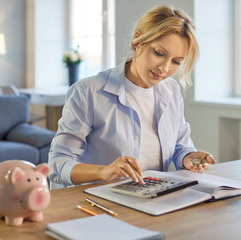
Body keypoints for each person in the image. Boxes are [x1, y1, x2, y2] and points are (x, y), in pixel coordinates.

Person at [48, 5, 216, 189]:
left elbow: (179, 146)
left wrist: (187, 157)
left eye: (176, 62)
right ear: (138, 39)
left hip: (152, 199)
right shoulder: (88, 92)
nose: (165, 68)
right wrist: (103, 172)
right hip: (98, 201)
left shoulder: (172, 91)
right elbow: (58, 163)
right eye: (159, 53)